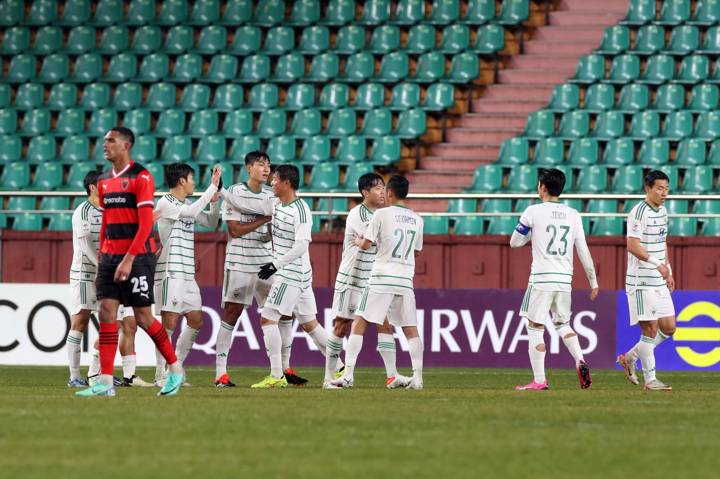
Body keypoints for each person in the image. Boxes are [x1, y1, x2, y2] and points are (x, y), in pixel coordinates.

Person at [75, 127, 183, 397]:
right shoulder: (103, 180)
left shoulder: (141, 176)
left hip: (137, 257)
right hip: (110, 257)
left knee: (144, 318)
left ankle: (176, 369)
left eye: (110, 141)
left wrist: (130, 258)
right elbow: (107, 220)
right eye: (104, 141)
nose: (105, 145)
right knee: (108, 314)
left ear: (126, 145)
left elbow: (146, 222)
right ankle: (106, 383)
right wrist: (103, 255)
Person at [221, 163, 335, 388]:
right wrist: (222, 190)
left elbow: (302, 246)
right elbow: (244, 203)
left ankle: (276, 376)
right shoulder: (275, 203)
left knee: (268, 319)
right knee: (310, 324)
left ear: (286, 183)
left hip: (290, 273)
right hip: (297, 274)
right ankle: (341, 368)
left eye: (274, 180)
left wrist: (275, 264)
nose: (270, 183)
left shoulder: (301, 210)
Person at [329, 175, 424, 390]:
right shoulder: (418, 219)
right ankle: (417, 378)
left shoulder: (381, 214)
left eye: (384, 189)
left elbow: (366, 244)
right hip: (405, 279)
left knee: (359, 322)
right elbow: (416, 252)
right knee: (410, 328)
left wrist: (357, 241)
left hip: (381, 277)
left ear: (390, 193)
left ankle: (348, 375)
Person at [510, 168, 599, 391]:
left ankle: (539, 379)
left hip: (540, 278)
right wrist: (593, 281)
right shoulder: (573, 214)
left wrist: (533, 234)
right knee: (563, 324)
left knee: (535, 327)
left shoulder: (533, 211)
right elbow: (583, 251)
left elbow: (514, 242)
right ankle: (580, 359)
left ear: (542, 187)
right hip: (564, 279)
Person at [66, 170, 151, 388]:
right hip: (85, 274)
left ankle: (97, 374)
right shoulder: (82, 212)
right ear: (93, 187)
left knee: (117, 323)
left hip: (107, 273)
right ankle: (75, 376)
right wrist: (103, 267)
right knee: (80, 320)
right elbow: (84, 246)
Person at [152, 163, 221, 386]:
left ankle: (176, 369)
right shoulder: (166, 202)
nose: (194, 182)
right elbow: (191, 213)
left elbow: (210, 223)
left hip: (187, 273)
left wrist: (215, 201)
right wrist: (212, 187)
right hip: (171, 271)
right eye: (192, 178)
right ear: (181, 181)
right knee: (169, 323)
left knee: (196, 320)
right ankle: (161, 374)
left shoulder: (187, 203)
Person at [213, 151, 274, 387]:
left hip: (266, 262)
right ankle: (220, 373)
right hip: (239, 261)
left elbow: (272, 231)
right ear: (249, 168)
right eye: (260, 164)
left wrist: (268, 227)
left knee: (278, 314)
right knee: (231, 314)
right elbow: (235, 230)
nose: (266, 169)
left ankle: (279, 371)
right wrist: (263, 219)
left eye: (268, 165)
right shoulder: (235, 192)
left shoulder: (271, 194)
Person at [616, 170, 675, 391]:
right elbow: (632, 245)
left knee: (668, 328)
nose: (664, 193)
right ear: (647, 188)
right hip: (641, 282)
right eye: (659, 188)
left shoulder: (663, 211)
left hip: (659, 279)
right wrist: (656, 264)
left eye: (667, 189)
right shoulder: (638, 212)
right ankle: (651, 380)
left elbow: (662, 242)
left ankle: (629, 357)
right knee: (649, 330)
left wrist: (668, 269)